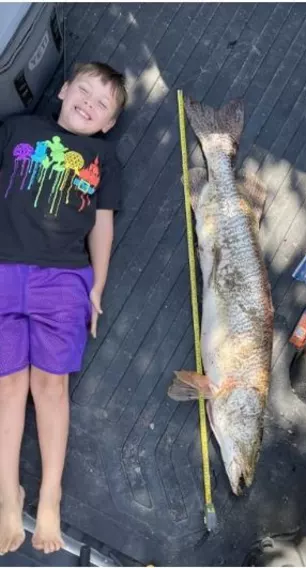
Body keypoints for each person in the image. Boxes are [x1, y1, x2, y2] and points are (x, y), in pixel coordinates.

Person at [0, 61, 126, 556]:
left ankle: (49, 492)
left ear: (108, 124)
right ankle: (9, 494)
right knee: (7, 385)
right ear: (65, 89)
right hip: (3, 271)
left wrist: (97, 286)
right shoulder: (18, 129)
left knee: (50, 386)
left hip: (63, 281)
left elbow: (102, 225)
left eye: (102, 104)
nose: (89, 103)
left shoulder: (105, 158)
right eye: (85, 91)